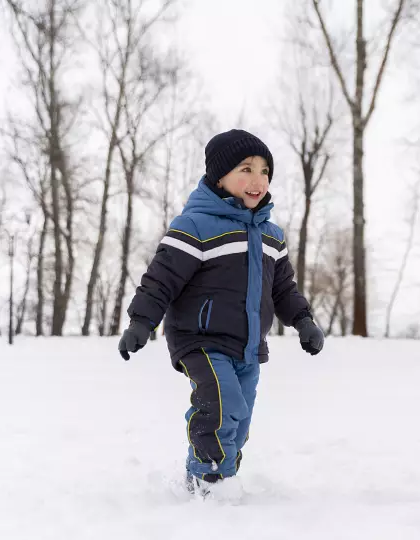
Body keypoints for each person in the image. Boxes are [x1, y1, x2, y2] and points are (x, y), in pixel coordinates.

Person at [117, 129, 324, 494]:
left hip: (247, 346)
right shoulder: (195, 226)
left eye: (264, 171)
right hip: (201, 340)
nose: (257, 179)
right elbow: (160, 280)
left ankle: (221, 477)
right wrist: (141, 322)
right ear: (219, 177)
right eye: (245, 169)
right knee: (221, 403)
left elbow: (283, 289)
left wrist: (303, 320)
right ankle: (206, 479)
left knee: (239, 417)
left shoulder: (272, 236)